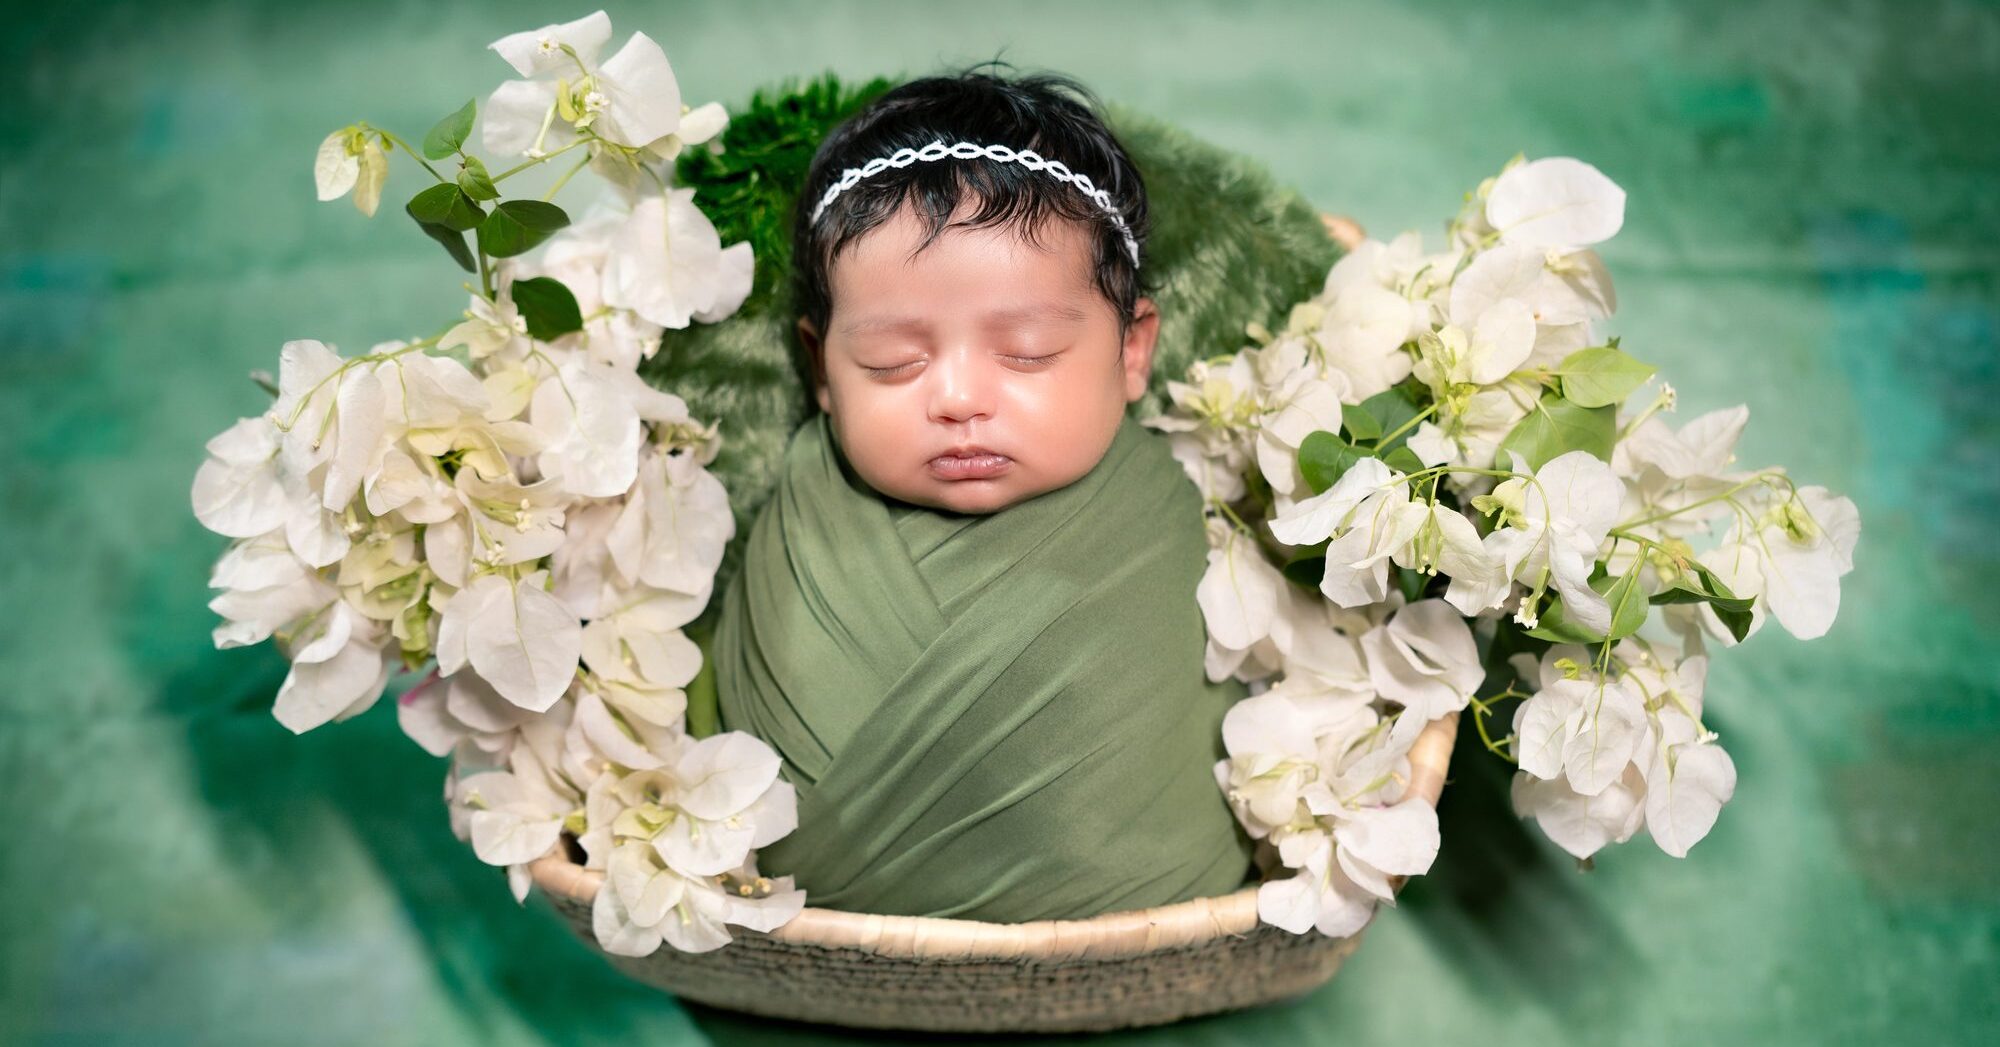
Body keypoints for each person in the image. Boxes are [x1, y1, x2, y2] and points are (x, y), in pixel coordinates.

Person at [710, 65, 1256, 922]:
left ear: (1132, 350)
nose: (959, 398)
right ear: (820, 368)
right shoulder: (801, 509)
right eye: (893, 362)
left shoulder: (1180, 510)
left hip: (1160, 931)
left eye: (1028, 351)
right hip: (786, 918)